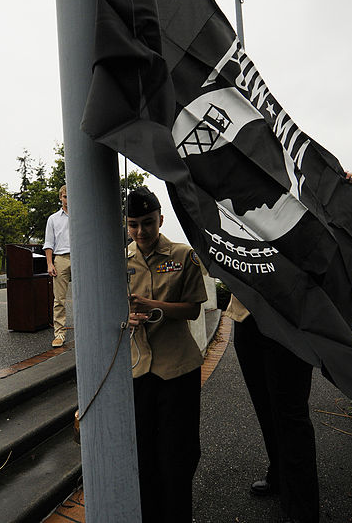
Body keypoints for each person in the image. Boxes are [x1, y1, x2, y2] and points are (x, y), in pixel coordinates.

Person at [227, 170, 352, 523]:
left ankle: (302, 508)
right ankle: (280, 473)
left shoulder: (302, 190)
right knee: (265, 406)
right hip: (247, 315)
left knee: (290, 413)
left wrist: (346, 190)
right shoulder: (240, 185)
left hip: (291, 321)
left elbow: (338, 228)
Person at [126, 187, 208, 523]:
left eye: (147, 223)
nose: (141, 232)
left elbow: (191, 309)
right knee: (142, 455)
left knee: (178, 455)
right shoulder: (119, 261)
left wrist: (153, 306)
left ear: (160, 219)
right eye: (133, 225)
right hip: (137, 370)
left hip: (177, 369)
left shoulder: (183, 256)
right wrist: (126, 316)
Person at [43, 185, 71, 347]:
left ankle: (88, 328)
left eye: (70, 196)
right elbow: (49, 243)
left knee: (86, 296)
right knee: (59, 299)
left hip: (81, 258)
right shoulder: (53, 219)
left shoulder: (82, 215)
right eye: (65, 196)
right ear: (60, 197)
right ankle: (59, 333)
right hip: (61, 258)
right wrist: (49, 263)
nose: (68, 199)